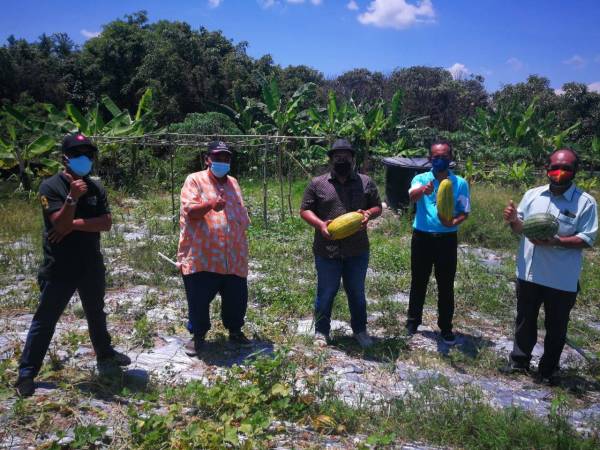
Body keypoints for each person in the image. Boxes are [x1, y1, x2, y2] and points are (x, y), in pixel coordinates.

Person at [15, 133, 130, 397]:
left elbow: (105, 223)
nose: (84, 159)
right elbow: (58, 224)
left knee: (96, 312)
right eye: (78, 154)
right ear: (64, 158)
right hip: (60, 266)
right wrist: (71, 199)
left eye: (88, 154)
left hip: (91, 263)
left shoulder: (96, 187)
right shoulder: (50, 187)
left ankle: (105, 354)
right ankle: (27, 373)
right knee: (46, 319)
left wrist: (73, 225)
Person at [502, 148, 597, 383]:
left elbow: (587, 239)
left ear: (575, 170)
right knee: (525, 319)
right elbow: (520, 228)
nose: (559, 172)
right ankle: (519, 361)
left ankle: (548, 369)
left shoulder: (585, 202)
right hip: (529, 272)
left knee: (556, 327)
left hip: (561, 278)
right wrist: (514, 219)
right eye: (555, 167)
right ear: (547, 168)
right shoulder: (533, 195)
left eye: (566, 168)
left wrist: (557, 241)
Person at [300, 139, 382, 348]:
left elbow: (377, 207)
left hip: (357, 250)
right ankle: (321, 331)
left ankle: (360, 330)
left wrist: (368, 214)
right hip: (326, 250)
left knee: (356, 291)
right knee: (326, 292)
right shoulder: (317, 183)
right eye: (337, 157)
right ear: (331, 160)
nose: (342, 160)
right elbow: (305, 210)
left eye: (346, 157)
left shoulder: (366, 182)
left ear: (353, 159)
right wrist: (320, 225)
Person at [177, 141, 251, 357]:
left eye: (226, 158)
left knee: (236, 298)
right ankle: (198, 336)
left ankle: (235, 331)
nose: (222, 161)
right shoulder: (194, 179)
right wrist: (210, 205)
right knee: (199, 299)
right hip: (203, 256)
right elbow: (190, 210)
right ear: (207, 159)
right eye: (217, 157)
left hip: (233, 256)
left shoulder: (234, 182)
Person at [405, 140, 470, 345]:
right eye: (435, 157)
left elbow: (464, 212)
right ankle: (413, 321)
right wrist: (423, 190)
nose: (439, 160)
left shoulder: (459, 183)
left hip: (447, 239)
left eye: (444, 156)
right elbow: (412, 196)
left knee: (446, 284)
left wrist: (453, 222)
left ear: (450, 158)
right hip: (422, 237)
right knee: (419, 281)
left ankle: (446, 327)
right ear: (429, 158)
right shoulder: (421, 178)